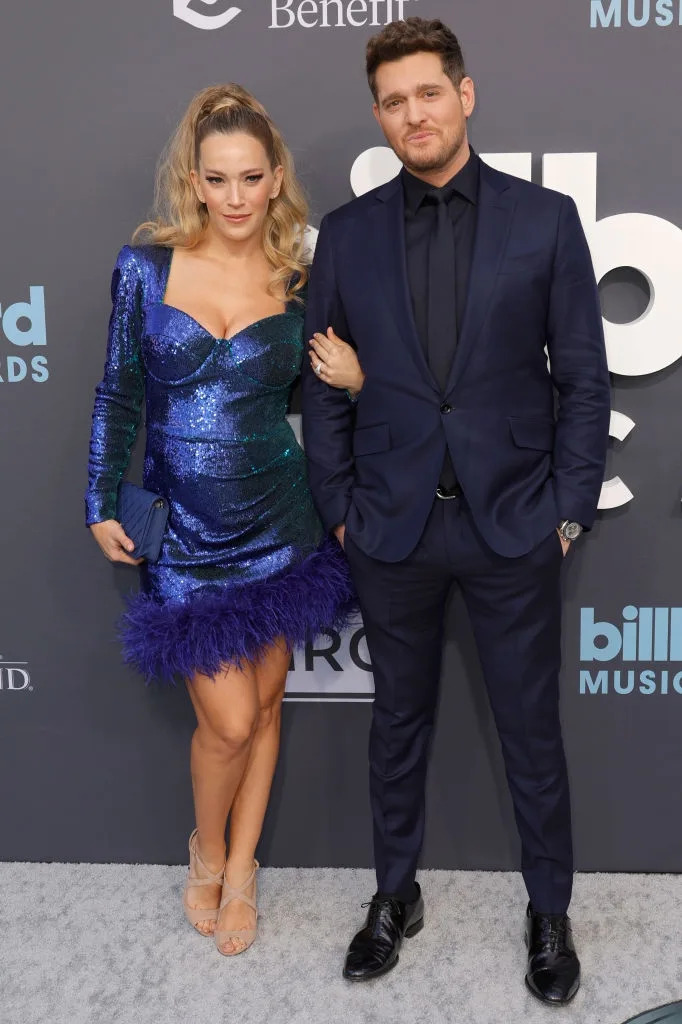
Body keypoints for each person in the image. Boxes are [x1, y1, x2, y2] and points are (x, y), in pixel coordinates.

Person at [302, 18, 610, 1003]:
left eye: (427, 93)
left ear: (464, 95)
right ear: (380, 116)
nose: (412, 115)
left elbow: (584, 383)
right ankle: (394, 895)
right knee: (396, 724)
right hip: (390, 528)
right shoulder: (346, 238)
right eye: (392, 101)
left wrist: (564, 508)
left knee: (530, 729)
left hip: (513, 523)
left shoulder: (545, 221)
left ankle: (548, 910)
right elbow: (321, 388)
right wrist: (340, 506)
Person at [85, 84, 360, 957]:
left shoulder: (300, 278)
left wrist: (352, 383)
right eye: (218, 179)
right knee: (229, 722)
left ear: (277, 179)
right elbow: (118, 393)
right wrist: (98, 498)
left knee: (268, 704)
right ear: (193, 182)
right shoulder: (145, 269)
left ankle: (240, 869)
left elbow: (318, 399)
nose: (236, 196)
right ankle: (204, 847)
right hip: (183, 531)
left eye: (251, 178)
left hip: (278, 519)